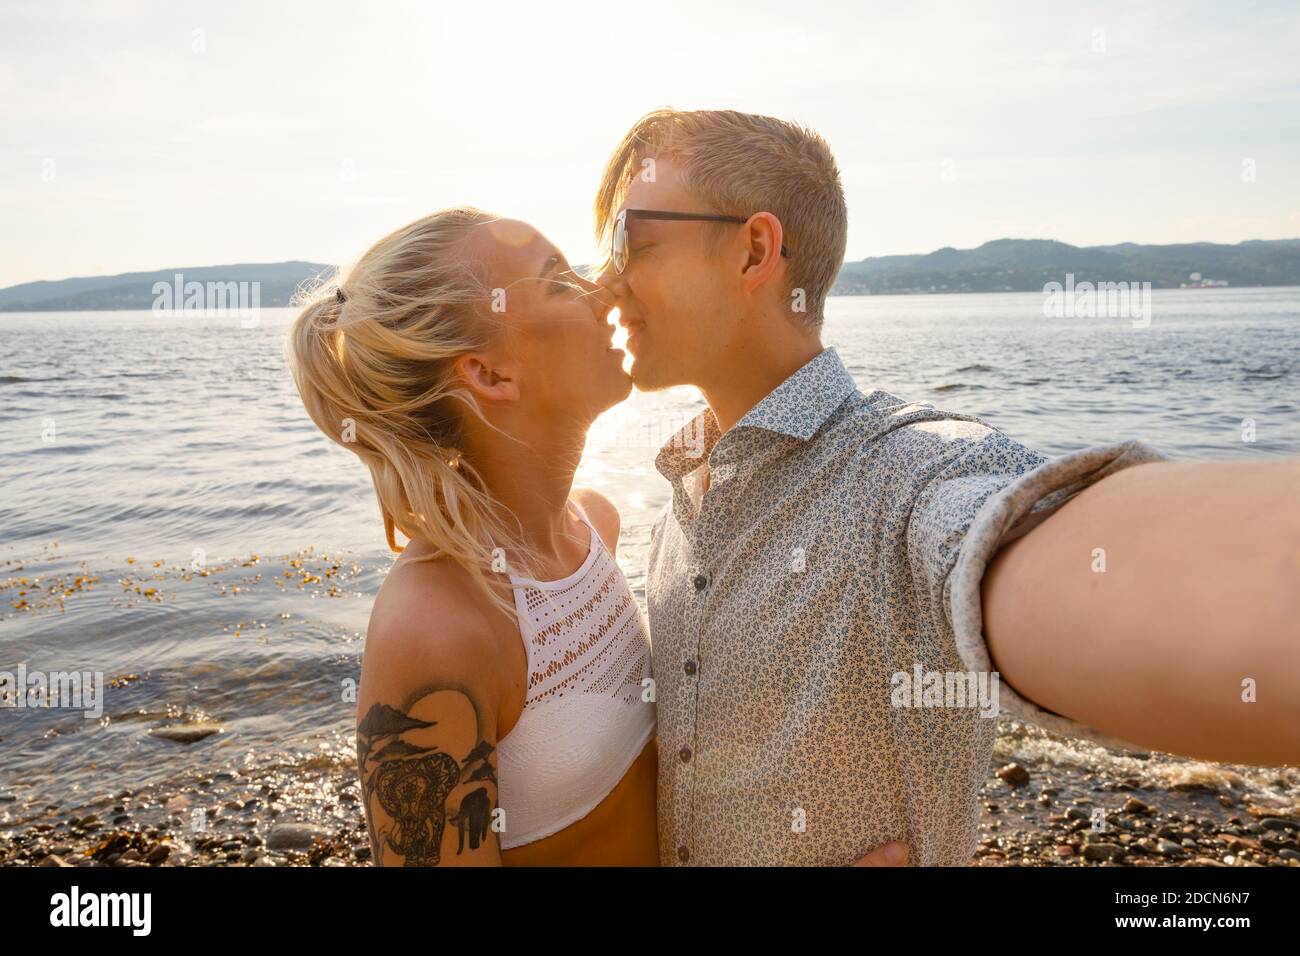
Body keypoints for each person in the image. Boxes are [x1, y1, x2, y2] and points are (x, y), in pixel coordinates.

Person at [592, 108, 1300, 866]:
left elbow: (1016, 534)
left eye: (628, 241)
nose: (603, 278)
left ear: (755, 250)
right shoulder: (685, 495)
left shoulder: (909, 474)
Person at [286, 208, 910, 866]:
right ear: (491, 375)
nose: (606, 287)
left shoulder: (593, 528)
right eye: (559, 281)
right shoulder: (437, 624)